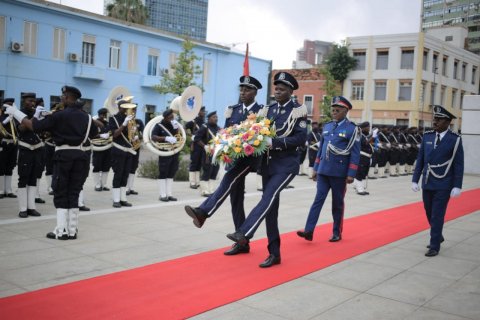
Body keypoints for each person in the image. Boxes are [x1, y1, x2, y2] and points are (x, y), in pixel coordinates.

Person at [187, 72, 308, 268]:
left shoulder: (298, 111)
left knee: (267, 198)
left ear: (291, 91)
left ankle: (244, 232)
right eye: (276, 88)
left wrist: (274, 142)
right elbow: (250, 131)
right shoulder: (268, 109)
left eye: (282, 89)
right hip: (267, 164)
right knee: (270, 210)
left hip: (286, 165)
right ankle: (274, 253)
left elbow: (301, 139)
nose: (277, 92)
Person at [184, 75, 265, 256]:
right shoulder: (233, 110)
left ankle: (203, 212)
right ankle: (241, 241)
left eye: (248, 90)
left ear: (255, 92)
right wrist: (221, 147)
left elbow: (261, 138)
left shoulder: (261, 111)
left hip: (249, 159)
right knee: (236, 200)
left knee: (227, 181)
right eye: (241, 90)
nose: (243, 93)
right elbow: (227, 132)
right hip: (234, 159)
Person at [5, 86, 99, 239]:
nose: (61, 98)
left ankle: (61, 231)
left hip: (63, 156)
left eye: (63, 96)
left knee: (61, 192)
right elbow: (95, 134)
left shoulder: (59, 115)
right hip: (81, 156)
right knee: (74, 192)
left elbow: (34, 126)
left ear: (68, 97)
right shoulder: (87, 117)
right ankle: (72, 230)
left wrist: (16, 112)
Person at [297, 96, 360, 242]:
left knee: (337, 204)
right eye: (332, 109)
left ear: (345, 111)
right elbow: (321, 150)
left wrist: (351, 173)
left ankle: (337, 232)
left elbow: (355, 153)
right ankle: (309, 230)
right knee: (317, 200)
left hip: (339, 173)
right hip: (324, 171)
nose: (334, 112)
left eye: (337, 110)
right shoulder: (327, 126)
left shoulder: (352, 129)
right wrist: (316, 169)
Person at [412, 105, 464, 257]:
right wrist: (415, 180)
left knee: (437, 214)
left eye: (439, 120)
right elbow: (420, 159)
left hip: (443, 183)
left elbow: (458, 164)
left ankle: (434, 245)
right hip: (428, 181)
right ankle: (438, 234)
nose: (435, 122)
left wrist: (457, 185)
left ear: (448, 122)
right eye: (435, 119)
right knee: (428, 211)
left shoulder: (454, 140)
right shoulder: (427, 136)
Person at [13, 92, 43, 218]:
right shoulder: (18, 114)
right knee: (23, 178)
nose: (32, 103)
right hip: (26, 149)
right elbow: (22, 129)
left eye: (33, 101)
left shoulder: (37, 113)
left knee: (33, 178)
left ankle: (31, 207)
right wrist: (34, 117)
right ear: (24, 101)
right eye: (30, 101)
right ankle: (23, 208)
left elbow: (42, 129)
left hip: (37, 149)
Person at [109, 99, 136, 208]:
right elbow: (115, 135)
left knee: (125, 175)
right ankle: (116, 199)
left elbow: (132, 136)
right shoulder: (113, 119)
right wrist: (124, 124)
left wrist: (135, 134)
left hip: (128, 151)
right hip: (118, 150)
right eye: (125, 107)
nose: (127, 109)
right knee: (118, 174)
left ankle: (123, 198)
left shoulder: (131, 118)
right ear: (120, 107)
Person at [152, 109, 179, 202]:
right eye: (170, 118)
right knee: (163, 172)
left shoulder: (174, 125)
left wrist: (176, 128)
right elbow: (153, 137)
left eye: (173, 117)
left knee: (172, 172)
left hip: (174, 151)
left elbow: (178, 137)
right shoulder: (159, 126)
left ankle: (169, 194)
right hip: (164, 152)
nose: (172, 119)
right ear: (165, 118)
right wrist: (165, 138)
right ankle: (162, 194)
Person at [194, 111, 221, 197]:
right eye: (214, 117)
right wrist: (204, 146)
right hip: (207, 153)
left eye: (216, 117)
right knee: (207, 171)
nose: (216, 119)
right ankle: (204, 190)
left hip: (216, 152)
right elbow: (197, 138)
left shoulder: (218, 128)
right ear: (209, 119)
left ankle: (211, 190)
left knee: (214, 171)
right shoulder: (204, 127)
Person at [0, 98, 18, 199]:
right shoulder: (2, 115)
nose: (10, 106)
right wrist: (8, 118)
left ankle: (8, 190)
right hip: (3, 143)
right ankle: (1, 190)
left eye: (12, 104)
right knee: (1, 166)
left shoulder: (15, 116)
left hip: (13, 143)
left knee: (10, 166)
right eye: (8, 105)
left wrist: (14, 115)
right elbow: (1, 125)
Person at [186, 106, 206, 189]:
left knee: (199, 163)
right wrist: (190, 135)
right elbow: (184, 128)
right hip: (195, 145)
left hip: (202, 144)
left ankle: (197, 181)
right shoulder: (193, 121)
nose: (204, 113)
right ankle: (192, 182)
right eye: (202, 111)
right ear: (198, 112)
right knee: (194, 163)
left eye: (204, 111)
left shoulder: (204, 122)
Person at [92, 107, 112, 192]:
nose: (104, 116)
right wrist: (100, 135)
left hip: (107, 147)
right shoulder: (94, 122)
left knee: (106, 166)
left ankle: (104, 184)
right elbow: (90, 135)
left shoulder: (107, 123)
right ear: (99, 114)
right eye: (102, 115)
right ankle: (97, 184)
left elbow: (111, 133)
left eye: (105, 115)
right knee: (97, 165)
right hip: (97, 147)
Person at [353, 121, 373, 195]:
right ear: (363, 128)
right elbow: (365, 143)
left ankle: (360, 187)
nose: (369, 128)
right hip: (362, 157)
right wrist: (373, 136)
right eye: (368, 127)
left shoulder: (365, 135)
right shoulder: (360, 135)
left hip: (366, 157)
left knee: (363, 173)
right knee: (360, 173)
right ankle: (360, 190)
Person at [126, 116, 144, 195]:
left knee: (133, 167)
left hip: (136, 147)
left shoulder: (139, 121)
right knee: (127, 167)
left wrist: (139, 136)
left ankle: (130, 187)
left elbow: (143, 133)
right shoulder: (125, 120)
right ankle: (126, 187)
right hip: (127, 147)